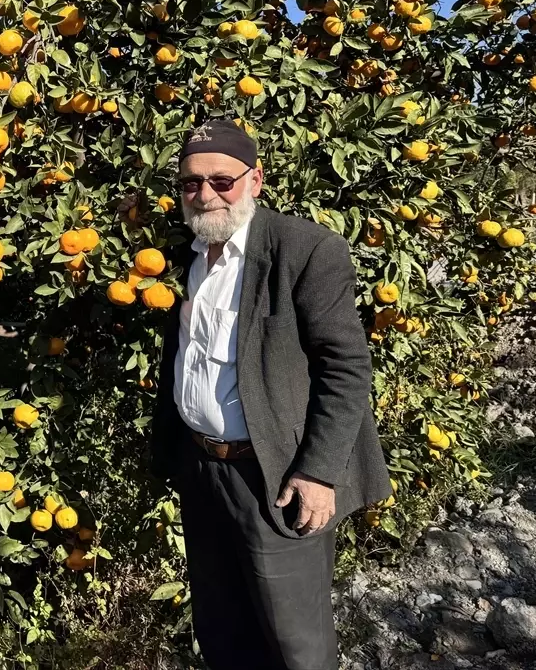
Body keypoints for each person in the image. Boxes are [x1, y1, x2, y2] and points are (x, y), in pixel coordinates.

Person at [150, 119, 390, 670]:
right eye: (190, 183)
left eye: (221, 180)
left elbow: (346, 366)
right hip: (203, 469)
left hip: (278, 474)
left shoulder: (305, 250)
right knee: (221, 625)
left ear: (255, 180)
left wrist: (319, 471)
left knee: (294, 642)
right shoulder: (180, 254)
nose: (205, 194)